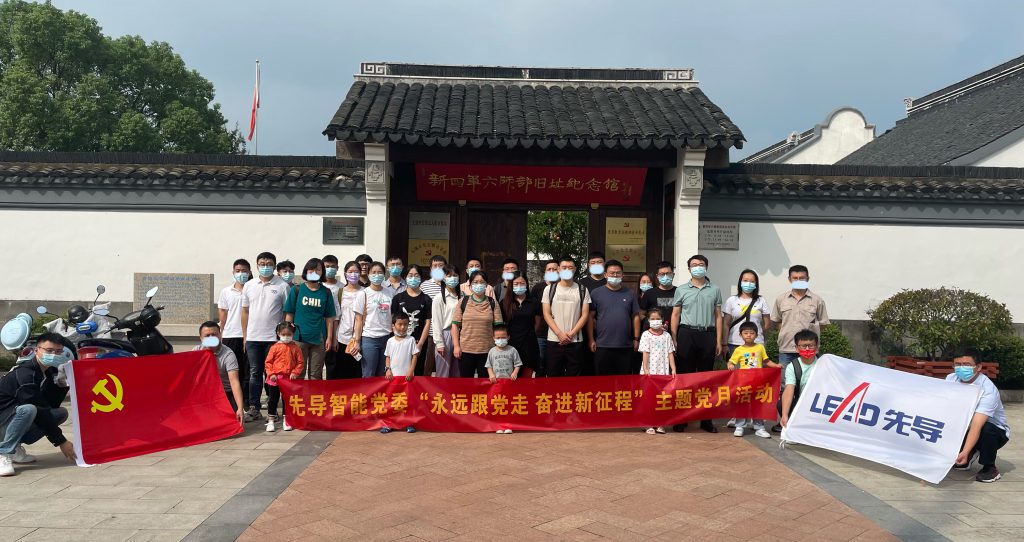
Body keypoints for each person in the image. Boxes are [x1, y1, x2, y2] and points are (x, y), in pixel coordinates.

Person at [0, 333, 75, 476]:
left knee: (59, 413)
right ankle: (3, 453)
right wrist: (61, 441)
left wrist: (61, 386)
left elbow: (48, 406)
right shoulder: (25, 374)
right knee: (28, 409)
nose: (54, 355)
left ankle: (15, 448)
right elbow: (38, 408)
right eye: (49, 350)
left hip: (10, 419)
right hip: (3, 420)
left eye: (58, 351)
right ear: (36, 350)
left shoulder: (49, 373)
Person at [770, 265, 828, 432]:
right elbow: (777, 322)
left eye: (802, 278)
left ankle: (807, 422)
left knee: (810, 386)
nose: (798, 281)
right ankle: (785, 420)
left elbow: (823, 324)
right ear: (789, 279)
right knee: (786, 386)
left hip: (809, 351)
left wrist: (809, 337)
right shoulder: (781, 299)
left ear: (808, 279)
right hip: (787, 349)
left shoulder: (817, 300)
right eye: (795, 278)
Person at [670, 254, 723, 433]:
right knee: (684, 377)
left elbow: (718, 316)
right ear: (689, 269)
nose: (698, 267)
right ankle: (681, 418)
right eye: (694, 264)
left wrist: (719, 340)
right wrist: (674, 337)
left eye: (701, 264)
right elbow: (675, 314)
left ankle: (706, 419)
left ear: (706, 267)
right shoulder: (681, 289)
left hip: (707, 335)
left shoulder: (714, 289)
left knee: (706, 378)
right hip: (686, 334)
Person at [950, 348, 1010, 483]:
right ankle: (969, 455)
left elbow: (977, 425)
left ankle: (989, 467)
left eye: (966, 364)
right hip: (965, 424)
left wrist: (965, 451)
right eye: (957, 364)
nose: (961, 368)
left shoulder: (987, 390)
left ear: (978, 367)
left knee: (987, 429)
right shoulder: (951, 379)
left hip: (992, 431)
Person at [241, 251, 288, 422]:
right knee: (254, 372)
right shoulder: (249, 285)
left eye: (269, 264)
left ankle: (273, 410)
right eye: (262, 264)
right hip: (253, 338)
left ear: (274, 266)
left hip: (273, 339)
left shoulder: (282, 286)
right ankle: (254, 408)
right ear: (257, 265)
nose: (265, 267)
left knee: (273, 374)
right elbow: (245, 311)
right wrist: (245, 336)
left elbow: (287, 312)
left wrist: (284, 336)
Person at [283, 258, 336, 380]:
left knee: (315, 375)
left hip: (319, 339)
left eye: (318, 270)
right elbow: (289, 314)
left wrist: (329, 338)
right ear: (306, 271)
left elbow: (329, 318)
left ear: (322, 272)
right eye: (311, 269)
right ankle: (298, 393)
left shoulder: (326, 292)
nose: (314, 272)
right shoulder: (296, 290)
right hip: (299, 338)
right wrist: (287, 336)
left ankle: (313, 393)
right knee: (298, 373)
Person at [587, 260, 641, 376]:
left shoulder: (630, 293)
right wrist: (591, 339)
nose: (615, 275)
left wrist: (636, 339)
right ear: (605, 274)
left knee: (624, 381)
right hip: (603, 345)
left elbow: (635, 317)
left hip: (625, 346)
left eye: (618, 273)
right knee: (603, 381)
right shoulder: (596, 293)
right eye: (612, 273)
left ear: (622, 275)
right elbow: (590, 317)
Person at [542, 257, 591, 377]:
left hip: (575, 340)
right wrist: (559, 334)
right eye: (564, 267)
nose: (567, 270)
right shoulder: (549, 289)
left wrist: (571, 334)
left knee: (574, 378)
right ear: (558, 269)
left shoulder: (582, 290)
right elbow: (546, 314)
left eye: (570, 267)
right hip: (554, 340)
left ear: (575, 269)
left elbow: (585, 314)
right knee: (553, 376)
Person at [728, 322, 778, 439]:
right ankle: (740, 426)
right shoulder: (738, 350)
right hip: (743, 383)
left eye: (752, 333)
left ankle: (759, 427)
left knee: (758, 405)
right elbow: (731, 361)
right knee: (742, 404)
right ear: (740, 335)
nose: (749, 335)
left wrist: (776, 366)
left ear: (756, 335)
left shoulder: (760, 347)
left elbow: (766, 361)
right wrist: (730, 365)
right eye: (746, 333)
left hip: (758, 382)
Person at [453, 270, 504, 378]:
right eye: (475, 282)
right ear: (470, 285)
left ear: (486, 285)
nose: (478, 285)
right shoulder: (463, 302)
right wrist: (456, 346)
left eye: (482, 282)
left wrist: (498, 348)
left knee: (484, 383)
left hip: (487, 351)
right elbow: (455, 325)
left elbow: (499, 328)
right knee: (466, 383)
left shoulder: (493, 303)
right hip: (466, 350)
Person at [193, 321, 246, 425]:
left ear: (220, 335)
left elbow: (234, 382)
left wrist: (240, 408)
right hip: (205, 394)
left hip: (225, 393)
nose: (211, 338)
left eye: (214, 334)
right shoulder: (196, 351)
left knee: (231, 424)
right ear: (201, 338)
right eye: (207, 336)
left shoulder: (228, 354)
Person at [218, 258, 250, 407]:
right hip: (230, 335)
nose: (241, 273)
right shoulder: (226, 291)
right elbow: (223, 313)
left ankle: (246, 403)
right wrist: (221, 332)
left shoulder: (252, 289)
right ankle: (230, 402)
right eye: (238, 271)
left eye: (244, 271)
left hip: (249, 336)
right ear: (233, 272)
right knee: (230, 371)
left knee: (246, 371)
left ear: (249, 272)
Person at [352, 261, 393, 377]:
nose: (377, 275)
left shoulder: (389, 293)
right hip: (369, 339)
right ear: (368, 274)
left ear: (384, 275)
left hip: (386, 338)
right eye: (373, 272)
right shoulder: (363, 294)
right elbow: (358, 320)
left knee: (382, 374)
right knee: (368, 374)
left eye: (380, 272)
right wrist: (357, 342)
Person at [639, 308, 676, 435]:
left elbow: (670, 352)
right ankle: (647, 423)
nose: (655, 321)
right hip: (650, 371)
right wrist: (646, 369)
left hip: (663, 371)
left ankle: (660, 423)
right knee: (648, 398)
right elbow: (645, 353)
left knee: (661, 398)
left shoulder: (666, 335)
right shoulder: (646, 335)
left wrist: (673, 368)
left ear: (662, 320)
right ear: (648, 320)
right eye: (652, 319)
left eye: (657, 319)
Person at [391, 265, 433, 376]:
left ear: (421, 278)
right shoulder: (398, 298)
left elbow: (427, 323)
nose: (413, 278)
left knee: (418, 372)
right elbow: (392, 321)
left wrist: (420, 344)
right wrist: (398, 340)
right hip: (400, 342)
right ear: (405, 277)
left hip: (418, 342)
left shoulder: (426, 299)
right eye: (410, 275)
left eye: (416, 275)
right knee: (399, 372)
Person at [382, 313, 418, 434]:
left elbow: (414, 356)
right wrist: (388, 369)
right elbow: (387, 356)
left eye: (405, 324)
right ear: (393, 325)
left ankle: (409, 423)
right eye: (400, 324)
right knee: (392, 401)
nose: (402, 327)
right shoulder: (390, 341)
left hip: (407, 377)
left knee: (407, 401)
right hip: (393, 378)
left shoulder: (411, 340)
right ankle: (389, 423)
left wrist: (411, 370)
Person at [264, 322, 304, 432]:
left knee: (287, 400)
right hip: (275, 379)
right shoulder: (274, 347)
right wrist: (271, 373)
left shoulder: (295, 348)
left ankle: (287, 420)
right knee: (273, 399)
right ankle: (271, 420)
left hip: (289, 379)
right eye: (283, 334)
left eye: (289, 334)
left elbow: (300, 362)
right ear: (278, 333)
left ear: (293, 334)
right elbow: (268, 362)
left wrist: (295, 372)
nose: (286, 337)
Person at [500, 272, 541, 378]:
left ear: (527, 284)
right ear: (511, 285)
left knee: (526, 379)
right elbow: (502, 324)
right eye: (516, 283)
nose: (519, 286)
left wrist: (529, 334)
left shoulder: (534, 302)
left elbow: (537, 323)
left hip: (529, 345)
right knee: (511, 378)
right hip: (511, 345)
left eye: (522, 283)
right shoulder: (505, 302)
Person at [779, 329, 821, 430]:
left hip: (820, 403)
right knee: (781, 404)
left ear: (817, 346)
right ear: (797, 348)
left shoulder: (824, 362)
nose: (807, 349)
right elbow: (789, 389)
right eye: (803, 346)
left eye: (811, 345)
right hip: (802, 402)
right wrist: (785, 415)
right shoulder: (792, 367)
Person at [487, 325, 523, 434]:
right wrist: (491, 374)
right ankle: (498, 425)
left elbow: (518, 364)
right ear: (493, 338)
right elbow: (489, 365)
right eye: (498, 338)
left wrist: (515, 373)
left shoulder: (512, 350)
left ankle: (508, 425)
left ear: (508, 337)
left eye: (503, 337)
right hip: (496, 384)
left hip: (509, 383)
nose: (500, 340)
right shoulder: (492, 351)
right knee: (498, 404)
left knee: (509, 404)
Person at [333, 261, 364, 379]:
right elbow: (336, 317)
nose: (353, 274)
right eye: (350, 271)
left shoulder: (365, 292)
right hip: (342, 337)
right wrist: (334, 338)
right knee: (342, 372)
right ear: (345, 274)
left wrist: (357, 339)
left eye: (356, 271)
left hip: (361, 338)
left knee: (357, 372)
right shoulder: (340, 292)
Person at [431, 266, 462, 378]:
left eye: (455, 275)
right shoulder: (439, 298)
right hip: (446, 335)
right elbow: (436, 322)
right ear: (444, 278)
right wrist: (439, 343)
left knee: (457, 372)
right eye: (449, 276)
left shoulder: (462, 296)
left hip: (461, 335)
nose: (452, 278)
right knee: (443, 372)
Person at [530, 259, 559, 377]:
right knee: (540, 365)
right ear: (545, 272)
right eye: (549, 269)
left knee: (555, 366)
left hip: (558, 334)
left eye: (554, 269)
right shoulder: (537, 288)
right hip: (541, 333)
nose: (552, 271)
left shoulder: (563, 287)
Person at [321, 255, 344, 379]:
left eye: (333, 266)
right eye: (327, 266)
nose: (330, 269)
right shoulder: (318, 285)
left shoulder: (342, 287)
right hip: (319, 330)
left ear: (337, 268)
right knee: (317, 365)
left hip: (336, 329)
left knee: (333, 364)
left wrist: (334, 336)